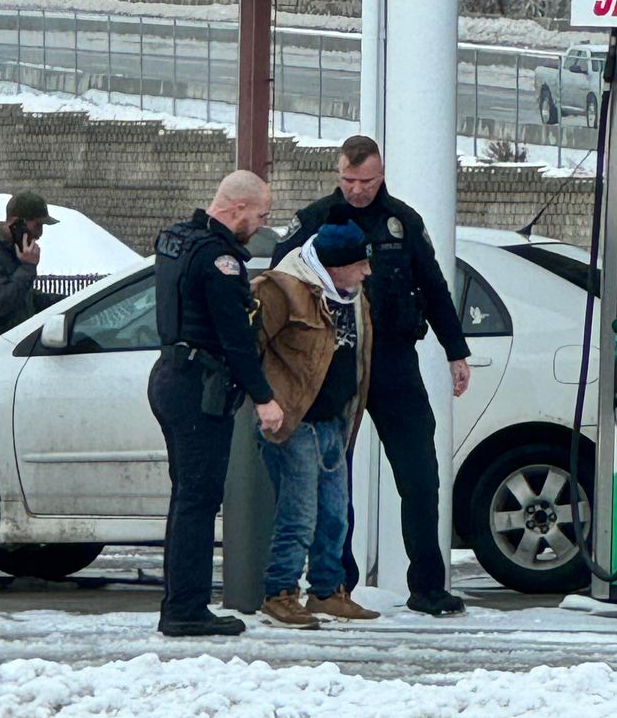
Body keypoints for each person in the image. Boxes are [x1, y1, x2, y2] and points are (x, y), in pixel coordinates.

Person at [272, 135, 471, 617]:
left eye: (367, 181)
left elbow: (435, 287)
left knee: (420, 475)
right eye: (349, 180)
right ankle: (337, 583)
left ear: (382, 175)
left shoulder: (403, 222)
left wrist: (455, 350)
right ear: (338, 174)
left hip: (394, 361)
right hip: (335, 362)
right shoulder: (316, 220)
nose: (358, 189)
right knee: (332, 477)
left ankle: (427, 585)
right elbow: (277, 283)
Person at [148, 170, 284, 638]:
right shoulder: (221, 260)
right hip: (199, 388)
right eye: (261, 215)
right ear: (238, 208)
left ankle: (180, 603)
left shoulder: (177, 239)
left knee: (186, 495)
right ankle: (186, 609)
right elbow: (236, 337)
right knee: (199, 499)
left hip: (170, 376)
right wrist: (264, 398)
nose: (262, 224)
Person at [254, 215, 380, 629]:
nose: (367, 272)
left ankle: (327, 590)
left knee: (335, 515)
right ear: (334, 266)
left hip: (333, 420)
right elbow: (250, 345)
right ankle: (281, 592)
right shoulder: (284, 289)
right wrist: (265, 401)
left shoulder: (352, 294)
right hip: (297, 421)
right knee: (299, 513)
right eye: (360, 265)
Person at [0, 190, 60, 344]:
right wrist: (27, 267)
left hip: (13, 344)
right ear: (16, 223)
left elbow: (23, 298)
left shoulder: (11, 251)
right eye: (37, 225)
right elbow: (1, 303)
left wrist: (69, 302)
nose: (40, 233)